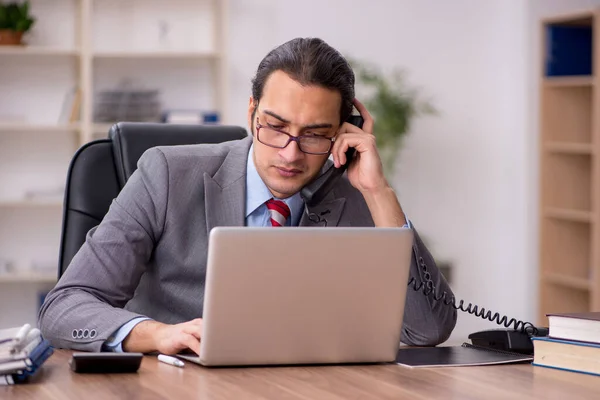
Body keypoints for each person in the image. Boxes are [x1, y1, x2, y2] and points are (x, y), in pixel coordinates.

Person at [38, 37, 456, 355]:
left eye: (314, 134)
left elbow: (429, 329)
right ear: (251, 110)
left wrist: (378, 193)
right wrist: (156, 333)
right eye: (274, 126)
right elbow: (65, 306)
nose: (290, 154)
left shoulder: (354, 194)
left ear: (345, 130)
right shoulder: (165, 173)